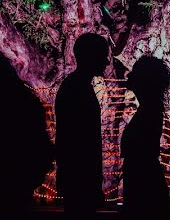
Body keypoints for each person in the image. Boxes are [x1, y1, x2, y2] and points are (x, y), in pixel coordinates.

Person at [55, 33, 110, 218]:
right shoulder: (76, 88)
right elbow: (78, 141)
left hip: (77, 178)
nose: (108, 61)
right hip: (79, 178)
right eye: (104, 55)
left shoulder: (75, 85)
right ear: (91, 56)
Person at [121, 56, 170, 218]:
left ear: (144, 80)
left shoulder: (150, 111)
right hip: (144, 184)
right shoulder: (150, 108)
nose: (128, 75)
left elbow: (143, 155)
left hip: (144, 187)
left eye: (134, 72)